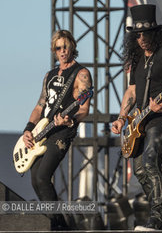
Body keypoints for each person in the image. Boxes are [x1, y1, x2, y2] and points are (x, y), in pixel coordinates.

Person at [111, 4, 162, 231]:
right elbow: (131, 92)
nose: (141, 39)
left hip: (161, 116)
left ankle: (158, 215)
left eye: (145, 34)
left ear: (155, 32)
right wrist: (122, 118)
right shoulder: (136, 59)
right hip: (139, 119)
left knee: (151, 160)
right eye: (137, 35)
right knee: (140, 169)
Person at [22, 30, 92, 230]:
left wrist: (70, 120)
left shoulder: (81, 74)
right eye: (58, 48)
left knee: (44, 176)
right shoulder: (49, 75)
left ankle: (59, 224)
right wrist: (28, 129)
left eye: (65, 46)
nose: (62, 51)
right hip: (43, 131)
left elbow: (84, 109)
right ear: (54, 50)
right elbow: (40, 106)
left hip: (63, 131)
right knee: (35, 179)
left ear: (72, 47)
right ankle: (55, 220)